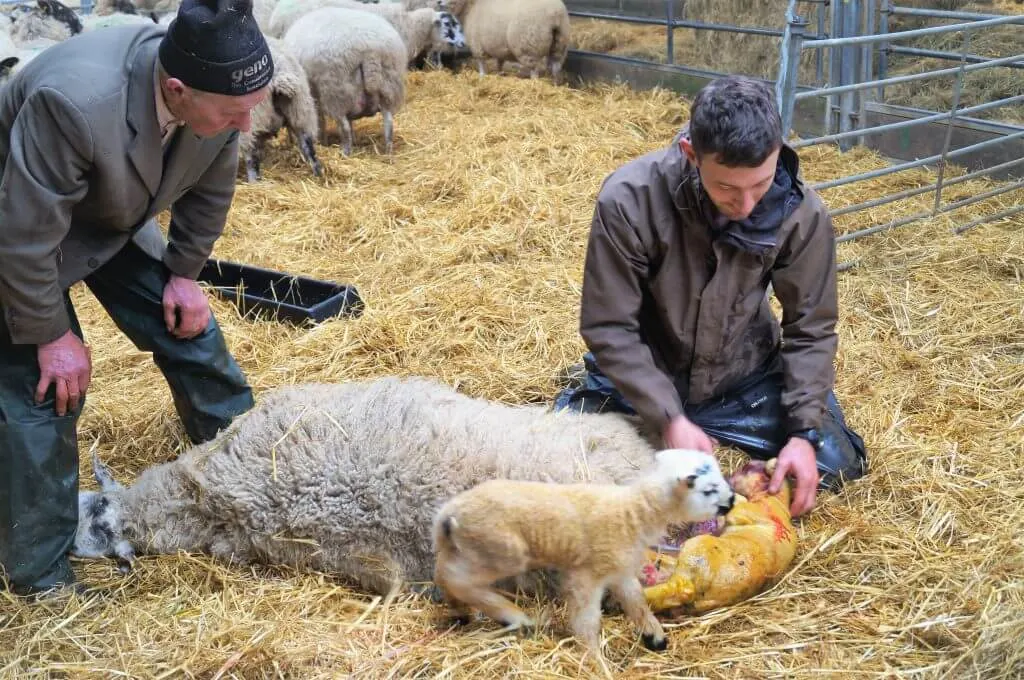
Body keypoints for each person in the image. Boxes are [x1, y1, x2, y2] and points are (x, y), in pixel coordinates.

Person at [0, 0, 274, 598]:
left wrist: (183, 273)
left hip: (106, 207)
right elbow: (23, 235)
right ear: (176, 90)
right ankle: (41, 574)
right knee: (46, 390)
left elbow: (213, 180)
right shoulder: (74, 102)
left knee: (190, 330)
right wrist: (49, 333)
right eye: (235, 112)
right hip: (14, 220)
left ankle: (251, 474)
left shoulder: (216, 101)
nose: (247, 125)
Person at [556, 75, 867, 519]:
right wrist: (669, 418)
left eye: (759, 184)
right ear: (691, 154)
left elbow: (811, 328)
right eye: (726, 187)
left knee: (834, 463)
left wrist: (803, 433)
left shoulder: (800, 213)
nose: (746, 205)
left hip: (741, 379)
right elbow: (609, 326)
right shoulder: (629, 200)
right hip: (651, 376)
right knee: (574, 461)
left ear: (778, 151)